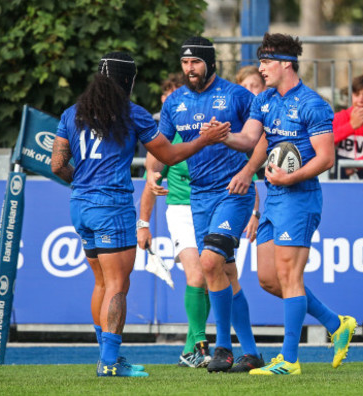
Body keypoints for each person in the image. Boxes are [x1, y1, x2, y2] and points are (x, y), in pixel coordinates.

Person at [50, 52, 229, 377]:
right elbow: (171, 156)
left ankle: (106, 357)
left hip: (80, 205)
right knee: (118, 285)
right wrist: (204, 139)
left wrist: (83, 183)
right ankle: (110, 363)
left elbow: (57, 165)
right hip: (113, 207)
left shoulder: (71, 113)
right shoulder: (132, 114)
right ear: (126, 81)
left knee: (102, 283)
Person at [222, 32, 357, 376]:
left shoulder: (313, 103)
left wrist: (288, 178)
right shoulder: (265, 99)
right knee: (269, 279)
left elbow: (326, 158)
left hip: (299, 197)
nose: (261, 68)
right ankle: (336, 323)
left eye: (266, 62)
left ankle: (289, 360)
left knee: (289, 276)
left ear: (286, 64)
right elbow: (250, 139)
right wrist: (222, 135)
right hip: (274, 196)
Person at [145, 37, 263, 373]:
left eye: (195, 62)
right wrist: (153, 172)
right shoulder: (175, 102)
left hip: (233, 192)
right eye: (185, 63)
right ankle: (251, 352)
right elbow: (162, 146)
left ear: (210, 63)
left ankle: (223, 348)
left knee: (210, 263)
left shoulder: (237, 95)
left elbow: (258, 140)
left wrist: (243, 167)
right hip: (199, 197)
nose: (189, 69)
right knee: (225, 271)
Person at [137, 74, 211, 369]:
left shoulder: (206, 128)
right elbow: (150, 179)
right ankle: (201, 346)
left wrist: (253, 211)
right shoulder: (163, 139)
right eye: (164, 100)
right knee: (197, 274)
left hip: (212, 207)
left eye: (173, 98)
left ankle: (190, 348)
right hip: (180, 208)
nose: (168, 105)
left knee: (209, 279)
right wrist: (143, 223)